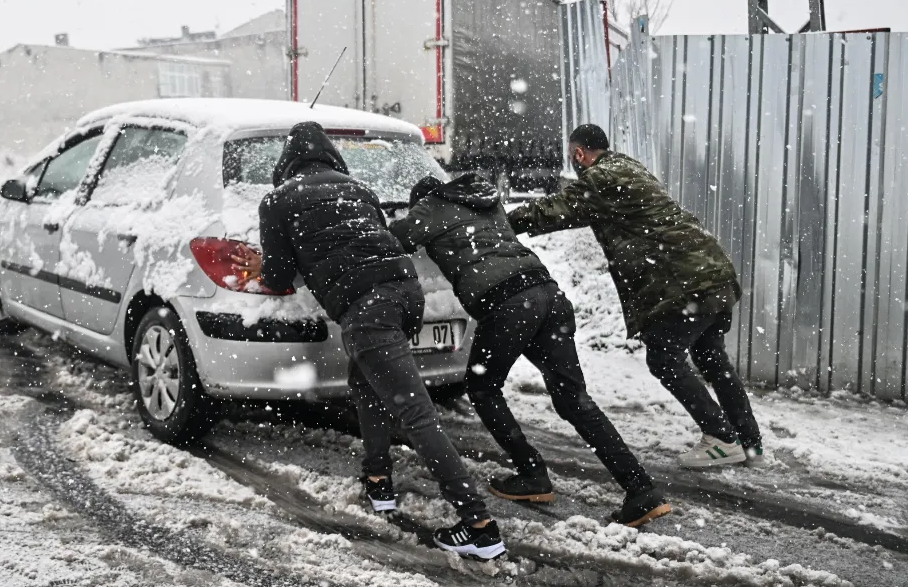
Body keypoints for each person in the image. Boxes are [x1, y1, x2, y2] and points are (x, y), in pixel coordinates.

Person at [234, 121, 505, 560]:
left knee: (416, 413)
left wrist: (259, 266)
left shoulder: (278, 200)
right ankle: (378, 482)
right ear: (330, 156)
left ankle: (479, 526)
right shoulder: (357, 189)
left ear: (287, 161)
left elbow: (281, 277)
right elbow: (365, 242)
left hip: (366, 309)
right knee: (365, 386)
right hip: (406, 294)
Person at [391, 173, 671, 527]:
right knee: (574, 400)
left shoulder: (431, 206)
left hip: (507, 303)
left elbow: (390, 241)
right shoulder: (483, 202)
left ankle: (531, 473)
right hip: (548, 295)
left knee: (482, 388)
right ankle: (641, 489)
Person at [507, 123, 764, 469]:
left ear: (579, 154)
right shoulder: (628, 167)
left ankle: (720, 437)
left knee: (663, 358)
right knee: (712, 359)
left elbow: (551, 211)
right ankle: (751, 445)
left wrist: (500, 224)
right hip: (712, 273)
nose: (575, 165)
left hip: (684, 282)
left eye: (574, 158)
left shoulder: (600, 180)